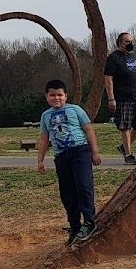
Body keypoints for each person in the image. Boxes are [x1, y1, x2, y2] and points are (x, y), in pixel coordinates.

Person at [37, 79, 102, 245]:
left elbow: (89, 130)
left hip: (80, 151)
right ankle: (74, 226)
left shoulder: (75, 110)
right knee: (67, 193)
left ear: (66, 96)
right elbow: (44, 139)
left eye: (60, 95)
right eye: (52, 95)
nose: (56, 98)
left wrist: (94, 152)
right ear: (47, 97)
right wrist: (40, 160)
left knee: (83, 185)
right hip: (61, 156)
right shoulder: (45, 116)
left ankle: (89, 222)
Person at [103, 32, 136, 165]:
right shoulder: (113, 58)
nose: (130, 44)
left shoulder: (135, 57)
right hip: (123, 98)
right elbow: (108, 78)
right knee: (125, 126)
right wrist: (111, 98)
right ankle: (128, 155)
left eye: (131, 41)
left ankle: (124, 147)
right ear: (120, 43)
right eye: (127, 42)